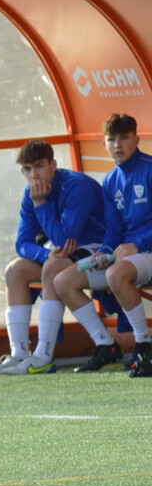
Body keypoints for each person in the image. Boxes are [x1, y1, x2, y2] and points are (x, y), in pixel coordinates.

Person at [0, 140, 106, 375]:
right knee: (14, 270)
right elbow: (22, 243)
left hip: (97, 247)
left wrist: (40, 204)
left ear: (53, 165)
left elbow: (66, 240)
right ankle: (19, 353)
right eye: (28, 169)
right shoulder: (29, 193)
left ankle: (43, 356)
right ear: (22, 171)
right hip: (61, 252)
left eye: (39, 166)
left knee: (53, 267)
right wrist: (43, 252)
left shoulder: (76, 186)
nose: (34, 175)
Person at [54, 113, 152, 376]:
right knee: (63, 281)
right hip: (126, 258)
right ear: (104, 143)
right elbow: (114, 228)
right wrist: (107, 251)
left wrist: (137, 244)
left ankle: (144, 347)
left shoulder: (150, 169)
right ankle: (106, 346)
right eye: (112, 139)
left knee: (116, 274)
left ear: (137, 139)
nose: (117, 145)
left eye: (124, 138)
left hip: (147, 251)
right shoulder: (109, 180)